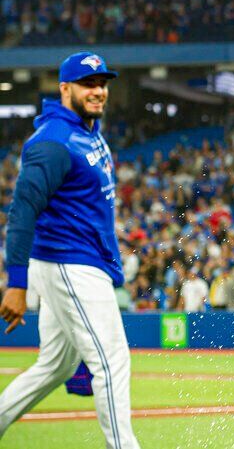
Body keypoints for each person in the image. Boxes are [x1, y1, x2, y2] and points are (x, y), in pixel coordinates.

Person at [0, 52, 140, 448]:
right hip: (69, 263)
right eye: (87, 84)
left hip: (77, 260)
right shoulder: (53, 141)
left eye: (102, 83)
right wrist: (16, 282)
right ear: (65, 88)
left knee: (54, 366)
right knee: (112, 363)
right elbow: (23, 210)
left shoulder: (86, 129)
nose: (98, 91)